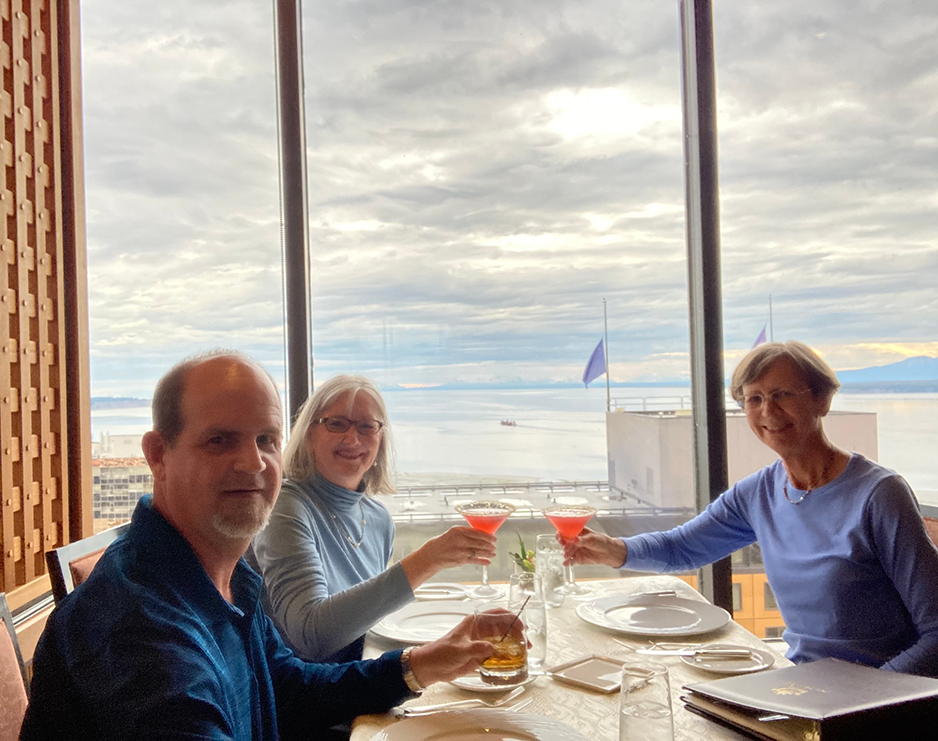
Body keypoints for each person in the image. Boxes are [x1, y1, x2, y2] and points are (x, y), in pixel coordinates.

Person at [20, 352, 519, 740]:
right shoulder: (140, 630)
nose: (254, 463)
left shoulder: (226, 572)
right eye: (220, 440)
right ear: (157, 454)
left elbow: (288, 686)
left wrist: (423, 662)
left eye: (266, 439)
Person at [564, 341, 938, 677]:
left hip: (880, 697)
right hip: (802, 685)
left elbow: (935, 635)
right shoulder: (759, 492)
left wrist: (871, 705)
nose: (767, 411)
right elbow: (681, 548)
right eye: (753, 399)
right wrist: (614, 550)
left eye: (782, 394)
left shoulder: (879, 495)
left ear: (822, 400)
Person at [249, 375, 496, 662]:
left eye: (367, 426)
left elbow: (371, 619)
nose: (352, 439)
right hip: (306, 696)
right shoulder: (285, 508)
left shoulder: (378, 519)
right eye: (336, 423)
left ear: (380, 441)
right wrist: (428, 560)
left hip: (361, 677)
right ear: (309, 434)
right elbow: (312, 637)